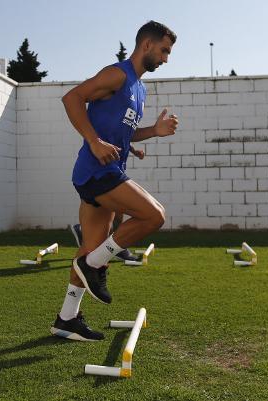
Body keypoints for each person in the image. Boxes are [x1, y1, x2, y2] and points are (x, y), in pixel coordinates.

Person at [51, 21, 178, 341]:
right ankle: (94, 265)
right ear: (146, 45)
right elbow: (72, 99)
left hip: (104, 172)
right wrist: (93, 141)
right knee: (154, 215)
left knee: (89, 247)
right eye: (164, 50)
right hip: (97, 172)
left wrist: (152, 132)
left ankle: (66, 318)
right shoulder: (117, 74)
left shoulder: (140, 87)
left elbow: (123, 130)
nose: (166, 59)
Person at [69, 145, 146, 263]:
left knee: (114, 212)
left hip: (112, 170)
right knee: (122, 207)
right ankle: (114, 246)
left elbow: (123, 134)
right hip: (99, 172)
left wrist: (134, 150)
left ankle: (84, 232)